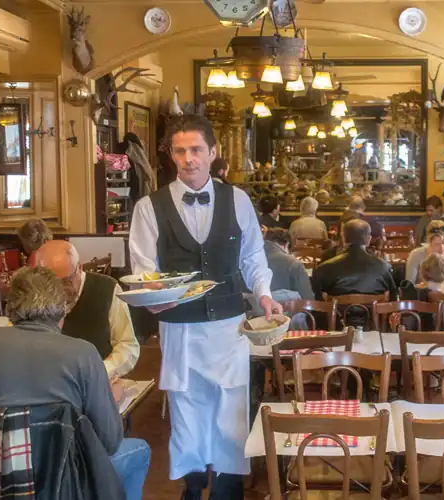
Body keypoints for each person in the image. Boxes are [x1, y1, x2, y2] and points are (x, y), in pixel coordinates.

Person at [128, 114, 279, 500]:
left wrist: (264, 293)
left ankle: (228, 489)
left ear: (213, 152)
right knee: (187, 409)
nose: (188, 158)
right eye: (180, 151)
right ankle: (192, 488)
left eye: (196, 150)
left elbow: (253, 257)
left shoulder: (237, 199)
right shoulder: (150, 206)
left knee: (231, 407)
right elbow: (145, 269)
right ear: (172, 156)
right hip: (180, 327)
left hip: (229, 326)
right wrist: (154, 300)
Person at [0, 267, 150, 500]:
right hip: (63, 482)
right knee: (139, 450)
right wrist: (113, 397)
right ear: (63, 310)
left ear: (11, 307)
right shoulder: (82, 353)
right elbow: (109, 442)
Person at [34, 240, 140, 378]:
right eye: (51, 283)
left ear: (79, 268)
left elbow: (127, 345)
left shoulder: (106, 289)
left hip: (98, 381)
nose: (59, 290)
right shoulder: (33, 294)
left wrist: (100, 371)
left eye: (66, 281)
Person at [311, 219, 397, 302]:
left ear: (344, 238)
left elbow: (316, 301)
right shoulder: (383, 267)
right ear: (368, 240)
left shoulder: (325, 268)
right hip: (373, 316)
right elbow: (393, 299)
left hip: (337, 315)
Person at [264, 228, 314, 301]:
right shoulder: (294, 263)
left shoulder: (247, 259)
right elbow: (307, 299)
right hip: (283, 311)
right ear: (287, 244)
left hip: (250, 310)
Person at [405, 220, 444, 285]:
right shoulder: (416, 255)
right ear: (429, 242)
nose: (442, 248)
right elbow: (409, 285)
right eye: (437, 244)